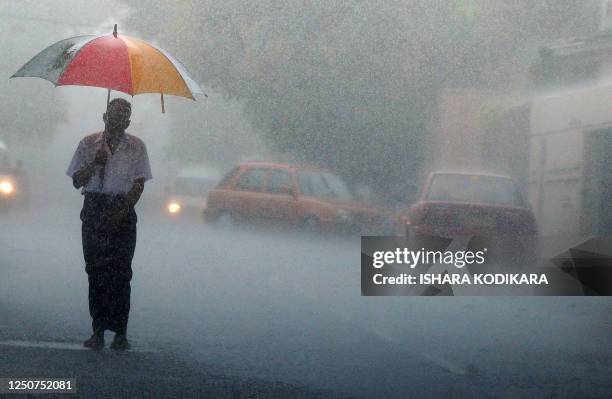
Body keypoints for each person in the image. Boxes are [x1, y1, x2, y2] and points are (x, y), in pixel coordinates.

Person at [66, 98, 152, 350]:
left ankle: (120, 333)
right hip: (94, 210)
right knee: (96, 272)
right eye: (114, 115)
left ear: (128, 121)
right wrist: (95, 163)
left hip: (123, 212)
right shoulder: (87, 144)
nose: (118, 120)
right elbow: (76, 180)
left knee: (121, 273)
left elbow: (139, 183)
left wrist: (122, 209)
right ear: (104, 116)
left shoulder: (137, 147)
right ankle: (98, 331)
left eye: (123, 116)